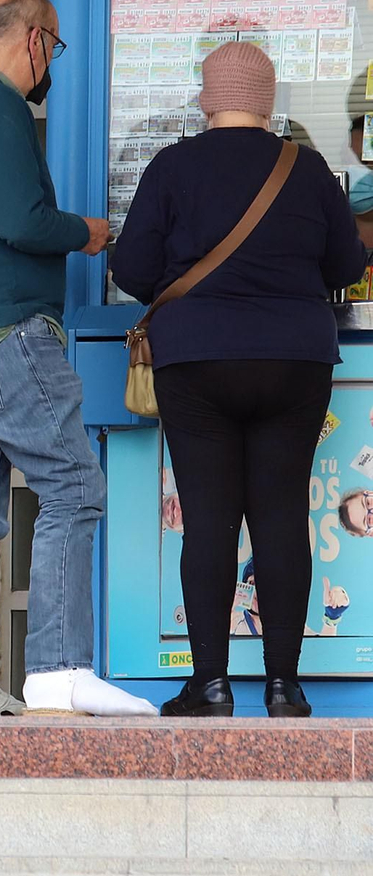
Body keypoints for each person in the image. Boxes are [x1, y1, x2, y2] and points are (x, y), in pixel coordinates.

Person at [0, 0, 155, 717]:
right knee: (75, 486)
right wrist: (87, 231)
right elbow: (20, 218)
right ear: (35, 39)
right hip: (5, 330)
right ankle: (58, 669)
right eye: (56, 48)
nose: (52, 66)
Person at [112, 39, 366, 718]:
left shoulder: (172, 166)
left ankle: (211, 684)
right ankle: (285, 684)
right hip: (295, 359)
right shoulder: (307, 169)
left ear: (206, 98)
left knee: (211, 521)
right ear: (269, 101)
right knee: (282, 514)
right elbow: (345, 265)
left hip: (197, 360)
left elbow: (133, 271)